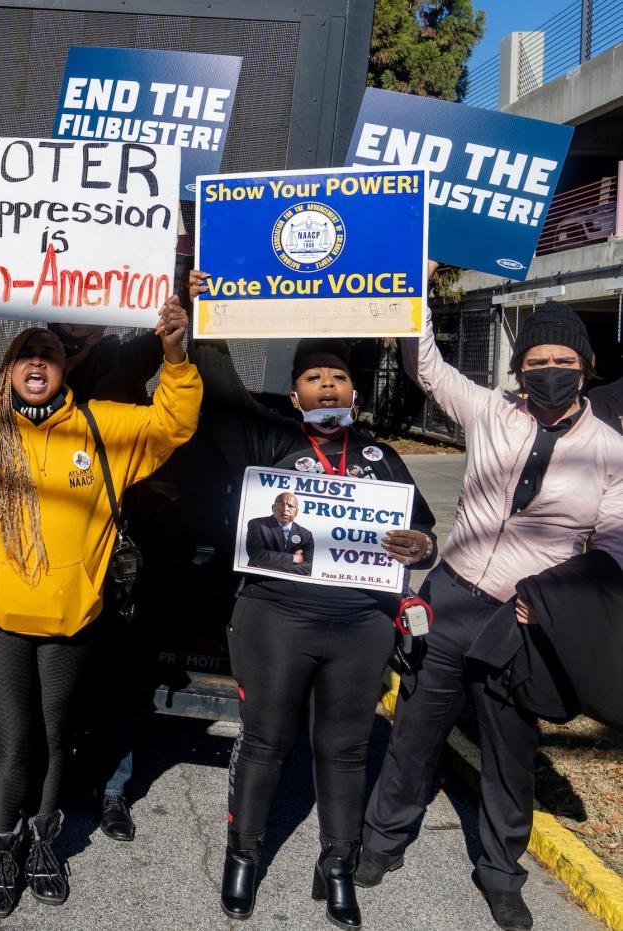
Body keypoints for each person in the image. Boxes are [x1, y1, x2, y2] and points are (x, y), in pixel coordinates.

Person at [0, 290, 201, 916]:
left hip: (70, 614)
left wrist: (174, 353)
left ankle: (43, 840)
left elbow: (174, 423)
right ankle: (0, 845)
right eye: (25, 353)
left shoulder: (103, 425)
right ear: (8, 368)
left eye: (48, 354)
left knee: (55, 735)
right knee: (14, 736)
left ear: (63, 369)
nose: (36, 362)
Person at [360, 283, 623, 931]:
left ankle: (502, 872)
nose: (549, 373)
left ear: (586, 367)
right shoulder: (489, 411)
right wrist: (414, 288)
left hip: (524, 623)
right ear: (519, 369)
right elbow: (426, 366)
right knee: (415, 731)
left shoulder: (611, 450)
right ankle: (381, 841)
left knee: (510, 754)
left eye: (563, 361)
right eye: (536, 362)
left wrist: (555, 600)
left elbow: (614, 547)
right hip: (449, 596)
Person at [188, 269, 439, 929]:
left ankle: (336, 865)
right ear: (295, 395)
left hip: (360, 627)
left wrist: (423, 547)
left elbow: (425, 535)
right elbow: (219, 393)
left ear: (354, 392)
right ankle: (242, 856)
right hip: (276, 619)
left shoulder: (383, 458)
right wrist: (205, 306)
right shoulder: (273, 441)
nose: (328, 384)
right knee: (267, 740)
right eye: (313, 377)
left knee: (345, 748)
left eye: (338, 376)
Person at [49, 320, 164, 843]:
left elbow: (169, 342)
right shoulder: (39, 349)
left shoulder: (128, 354)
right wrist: (72, 350)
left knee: (115, 671)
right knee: (53, 675)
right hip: (52, 540)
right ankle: (54, 781)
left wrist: (184, 286)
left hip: (116, 544)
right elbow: (9, 401)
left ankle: (112, 789)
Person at [245, 492, 314, 575]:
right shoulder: (257, 524)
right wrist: (292, 558)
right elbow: (257, 556)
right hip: (259, 581)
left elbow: (306, 569)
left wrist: (271, 565)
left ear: (296, 512)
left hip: (289, 584)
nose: (285, 509)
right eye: (281, 504)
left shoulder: (306, 535)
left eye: (291, 506)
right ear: (273, 508)